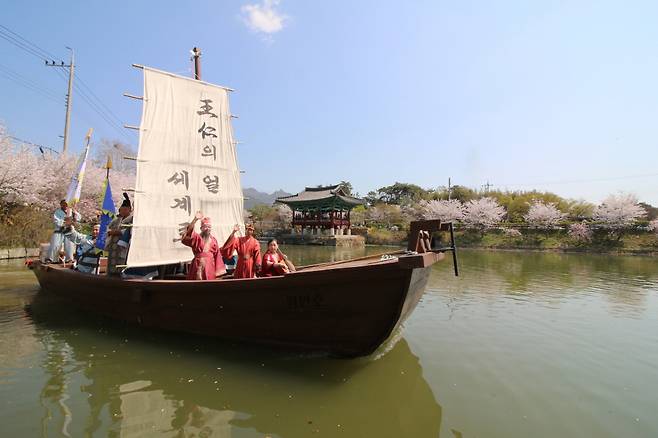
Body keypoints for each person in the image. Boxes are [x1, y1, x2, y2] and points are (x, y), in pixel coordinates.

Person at [181, 211, 226, 280]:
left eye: (209, 227)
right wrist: (195, 219)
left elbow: (217, 256)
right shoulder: (197, 238)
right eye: (205, 227)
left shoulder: (214, 240)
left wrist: (218, 273)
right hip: (197, 265)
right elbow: (189, 232)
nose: (207, 228)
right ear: (201, 228)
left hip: (209, 266)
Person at [106, 193, 133, 276]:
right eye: (122, 209)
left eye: (125, 209)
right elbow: (107, 229)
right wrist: (111, 232)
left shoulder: (131, 219)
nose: (123, 211)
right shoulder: (116, 220)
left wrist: (117, 232)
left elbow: (129, 231)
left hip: (124, 248)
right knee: (111, 268)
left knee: (121, 268)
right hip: (113, 247)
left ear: (130, 210)